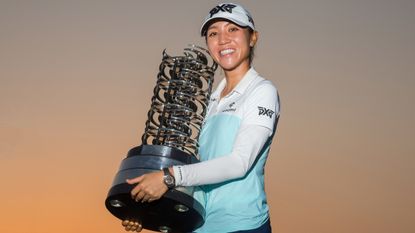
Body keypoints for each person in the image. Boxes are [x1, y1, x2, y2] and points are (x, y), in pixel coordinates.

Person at [122, 3, 280, 233]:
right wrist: (146, 210)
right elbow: (201, 173)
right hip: (199, 225)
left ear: (253, 37)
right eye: (213, 33)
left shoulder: (262, 91)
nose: (223, 39)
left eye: (233, 30)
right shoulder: (211, 100)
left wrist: (168, 177)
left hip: (242, 226)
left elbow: (239, 163)